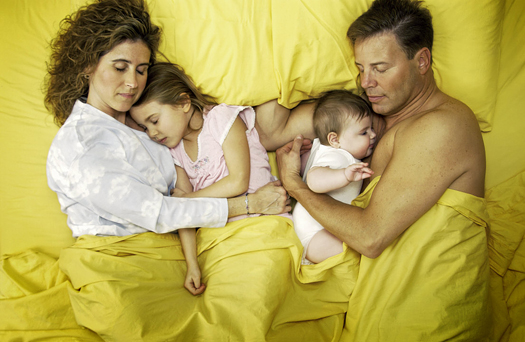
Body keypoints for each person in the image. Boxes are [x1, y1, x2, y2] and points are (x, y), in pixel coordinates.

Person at [276, 0, 490, 340]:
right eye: (360, 68)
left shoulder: (442, 126)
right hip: (373, 311)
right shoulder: (373, 121)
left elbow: (370, 236)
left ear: (421, 61)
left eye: (380, 68)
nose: (366, 82)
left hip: (428, 321)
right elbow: (273, 132)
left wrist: (294, 184)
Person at [45, 0, 289, 293]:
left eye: (141, 69)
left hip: (188, 245)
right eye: (120, 67)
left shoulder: (146, 122)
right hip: (121, 259)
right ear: (88, 65)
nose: (132, 82)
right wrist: (250, 204)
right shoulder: (82, 145)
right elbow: (161, 211)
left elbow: (183, 189)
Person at [129, 62, 291, 295]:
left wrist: (188, 200)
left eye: (154, 121)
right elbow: (184, 216)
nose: (152, 133)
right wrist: (191, 265)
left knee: (262, 284)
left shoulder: (220, 119)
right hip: (220, 235)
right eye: (144, 128)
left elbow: (238, 181)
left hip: (263, 218)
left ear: (184, 103)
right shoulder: (175, 153)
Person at [293, 90, 375, 264]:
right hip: (315, 232)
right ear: (334, 140)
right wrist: (344, 175)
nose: (373, 135)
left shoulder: (323, 149)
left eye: (371, 129)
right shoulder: (338, 156)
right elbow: (314, 180)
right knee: (359, 257)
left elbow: (306, 168)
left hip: (317, 227)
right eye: (364, 132)